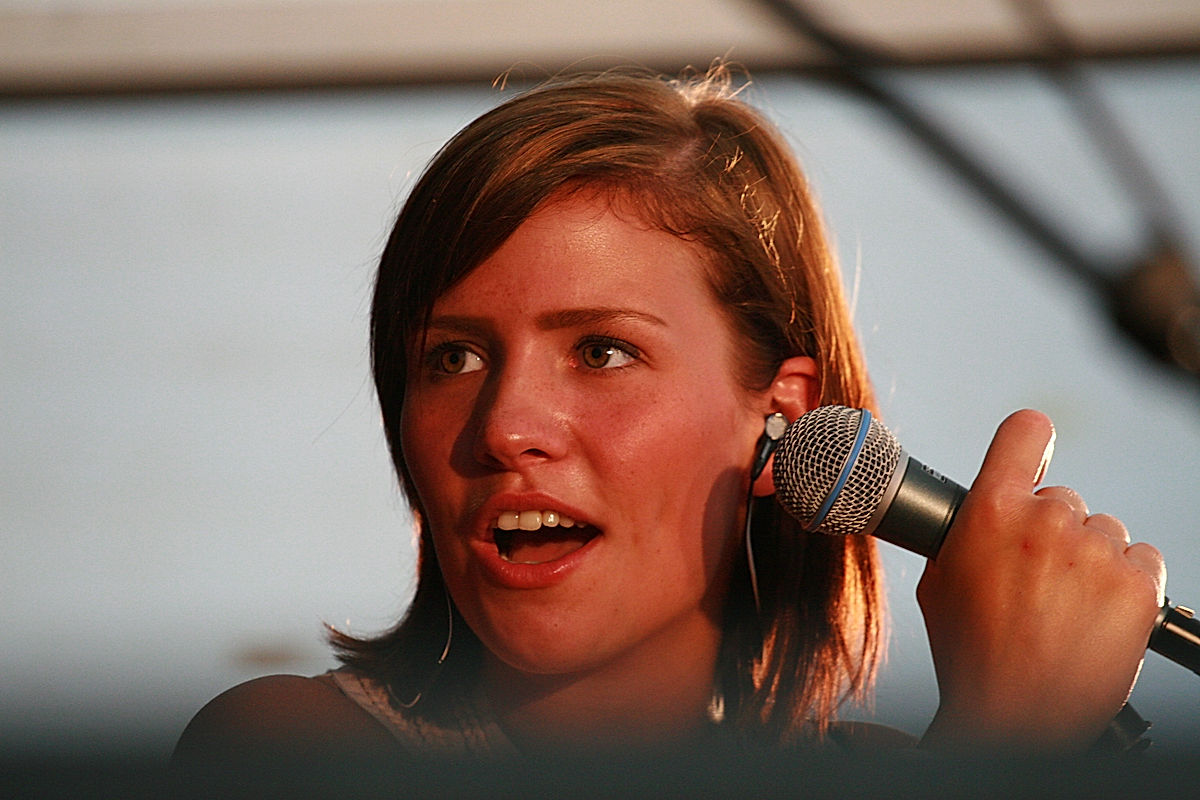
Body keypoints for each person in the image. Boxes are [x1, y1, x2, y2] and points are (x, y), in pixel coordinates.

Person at [174, 66, 1166, 771]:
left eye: (603, 350)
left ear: (783, 418)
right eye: (453, 356)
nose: (506, 424)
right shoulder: (287, 746)